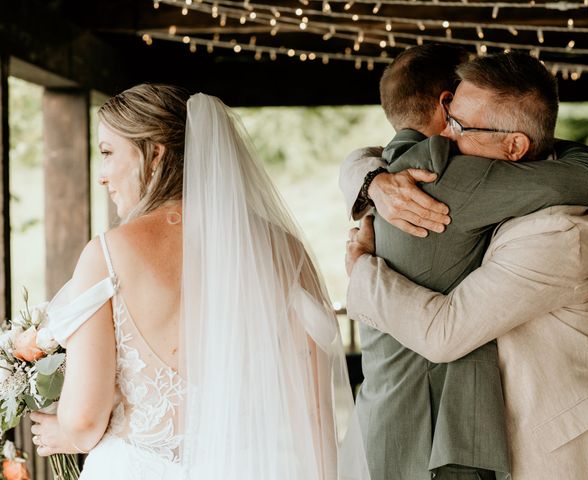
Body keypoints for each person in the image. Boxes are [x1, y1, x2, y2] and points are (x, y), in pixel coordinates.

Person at [29, 84, 370, 480]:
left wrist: (68, 433)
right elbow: (313, 412)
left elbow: (85, 421)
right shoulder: (286, 252)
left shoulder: (107, 254)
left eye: (107, 153)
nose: (102, 176)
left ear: (154, 154)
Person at [342, 51, 588, 478]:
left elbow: (445, 333)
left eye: (460, 126)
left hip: (561, 445)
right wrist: (370, 178)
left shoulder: (558, 232)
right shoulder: (500, 178)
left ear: (515, 146)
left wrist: (361, 270)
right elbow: (381, 153)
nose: (444, 135)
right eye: (449, 117)